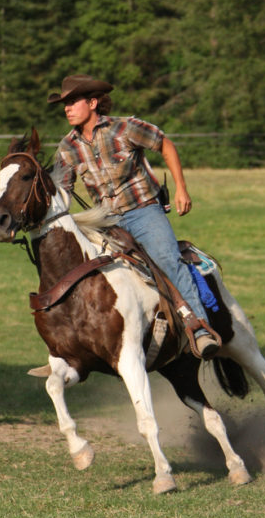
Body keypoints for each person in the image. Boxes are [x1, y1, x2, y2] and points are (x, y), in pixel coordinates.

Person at [47, 74, 220, 359]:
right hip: (106, 221)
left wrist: (181, 189)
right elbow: (61, 190)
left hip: (143, 212)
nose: (67, 108)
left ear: (92, 103)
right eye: (64, 104)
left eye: (72, 102)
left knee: (166, 259)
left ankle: (199, 328)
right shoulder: (67, 148)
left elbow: (165, 145)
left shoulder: (125, 128)